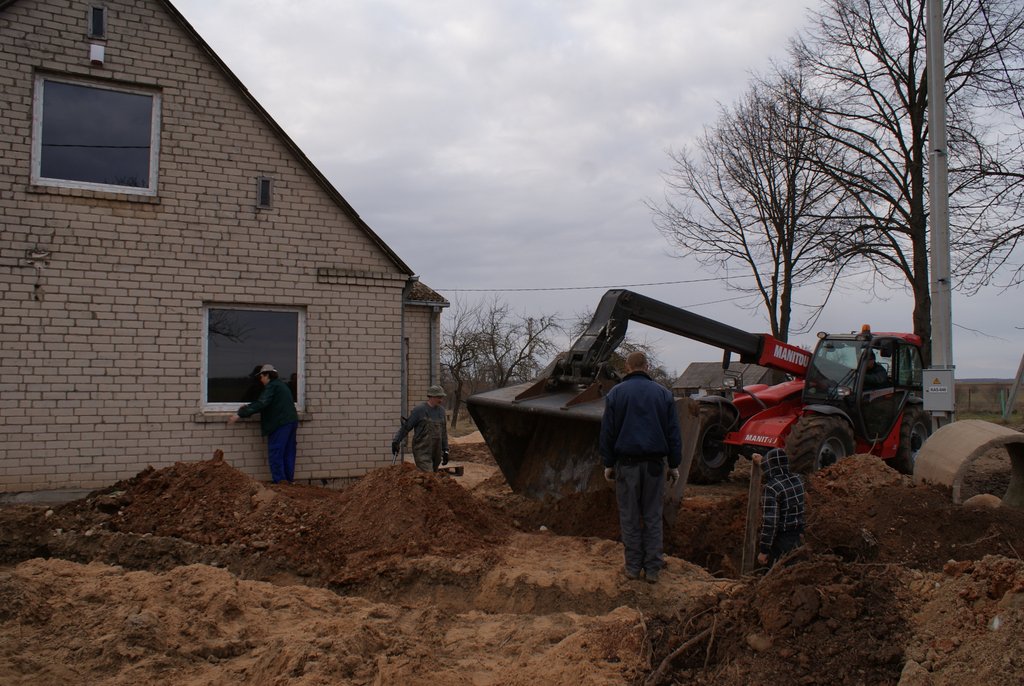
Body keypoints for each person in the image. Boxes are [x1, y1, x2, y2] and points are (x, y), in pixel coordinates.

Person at [599, 351, 683, 584]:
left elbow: (607, 433)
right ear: (647, 366)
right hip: (655, 466)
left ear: (627, 367)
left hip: (626, 465)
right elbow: (674, 434)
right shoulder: (664, 394)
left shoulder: (616, 394)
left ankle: (633, 568)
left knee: (630, 517)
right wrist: (674, 464)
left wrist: (608, 463)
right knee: (653, 516)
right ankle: (653, 569)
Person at [228, 363, 299, 484]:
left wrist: (240, 414)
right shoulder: (281, 385)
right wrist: (249, 406)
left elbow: (262, 403)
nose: (260, 380)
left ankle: (280, 482)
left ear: (267, 375)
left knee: (276, 452)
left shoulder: (272, 386)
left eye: (261, 377)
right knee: (288, 452)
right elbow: (267, 402)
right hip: (290, 422)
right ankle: (289, 481)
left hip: (280, 423)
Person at [753, 448, 806, 568]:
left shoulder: (772, 488)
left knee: (775, 574)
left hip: (781, 542)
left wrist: (764, 550)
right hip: (799, 537)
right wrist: (762, 462)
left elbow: (770, 522)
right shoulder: (799, 480)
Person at [392, 385, 449, 472]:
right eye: (439, 397)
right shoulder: (419, 410)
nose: (441, 400)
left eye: (442, 397)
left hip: (436, 452)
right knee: (428, 474)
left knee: (433, 476)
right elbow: (406, 427)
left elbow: (443, 432)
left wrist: (446, 450)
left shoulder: (441, 411)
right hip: (422, 451)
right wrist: (396, 441)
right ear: (431, 396)